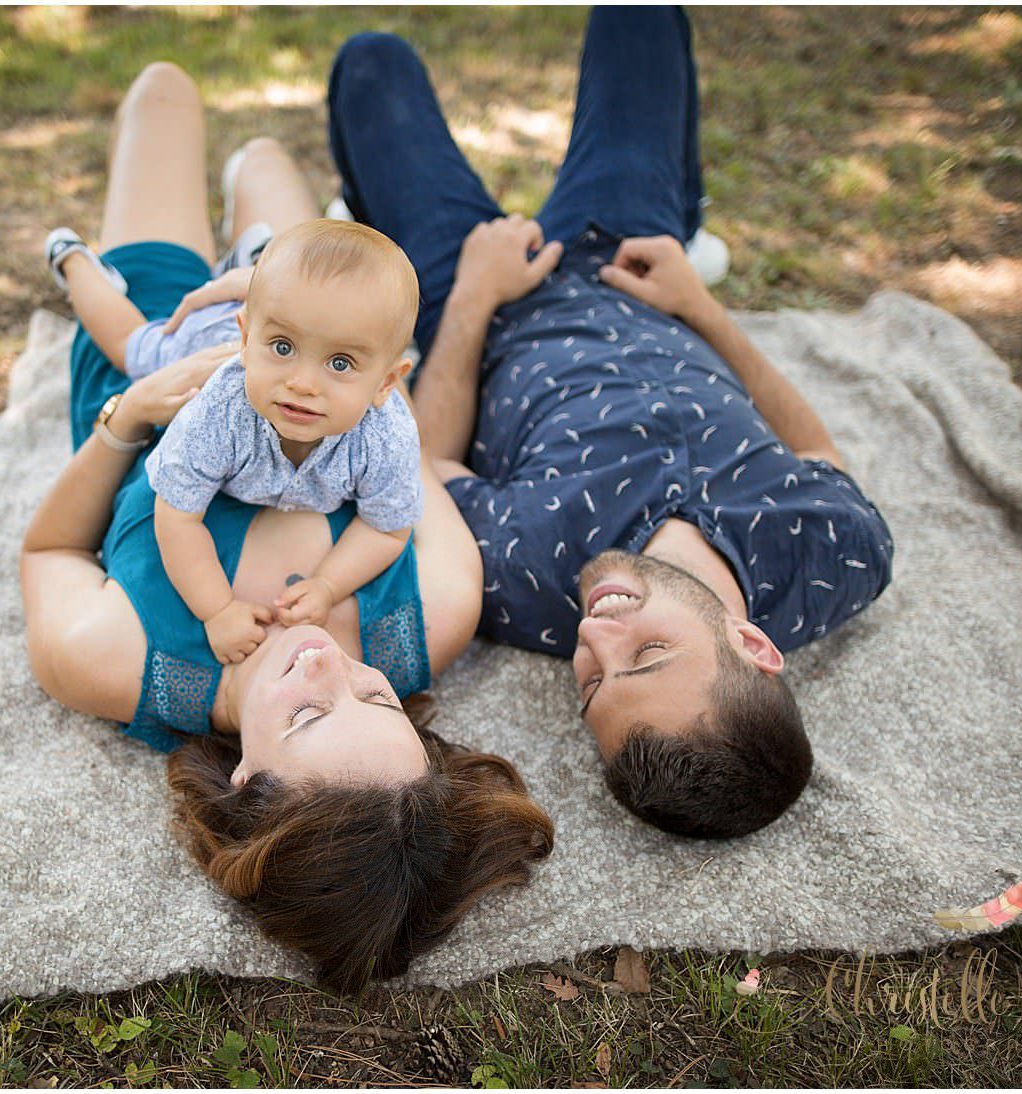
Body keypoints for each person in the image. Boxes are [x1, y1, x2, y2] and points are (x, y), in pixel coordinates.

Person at [20, 61, 553, 993]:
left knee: (161, 89)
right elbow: (405, 460)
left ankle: (95, 257)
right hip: (299, 324)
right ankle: (255, 230)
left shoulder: (108, 659)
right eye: (376, 700)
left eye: (308, 715)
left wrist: (132, 417)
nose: (325, 664)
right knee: (268, 166)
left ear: (245, 786)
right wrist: (314, 339)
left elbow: (50, 549)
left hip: (150, 351)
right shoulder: (437, 609)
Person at [326, 7, 896, 840]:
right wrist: (701, 307)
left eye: (591, 684)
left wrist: (477, 295)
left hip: (477, 297)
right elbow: (815, 449)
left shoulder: (526, 585)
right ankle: (688, 233)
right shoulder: (832, 554)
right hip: (636, 258)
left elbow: (432, 458)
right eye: (650, 655)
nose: (596, 635)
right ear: (754, 645)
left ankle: (386, 222)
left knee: (370, 63)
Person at [43, 218, 424, 665]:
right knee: (133, 349)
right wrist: (218, 610)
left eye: (340, 363)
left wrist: (328, 584)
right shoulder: (218, 411)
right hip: (205, 341)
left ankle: (257, 263)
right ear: (249, 339)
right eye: (283, 347)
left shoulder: (387, 436)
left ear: (386, 382)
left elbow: (388, 526)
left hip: (272, 315)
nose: (302, 383)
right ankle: (74, 261)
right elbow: (177, 517)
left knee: (297, 310)